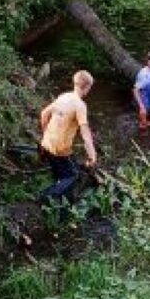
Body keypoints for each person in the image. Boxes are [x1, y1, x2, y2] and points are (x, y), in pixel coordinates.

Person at [39, 70, 97, 202]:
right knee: (73, 176)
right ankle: (45, 197)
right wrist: (92, 155)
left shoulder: (63, 96)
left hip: (46, 144)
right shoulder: (80, 105)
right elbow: (85, 134)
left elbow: (43, 114)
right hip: (59, 150)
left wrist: (45, 134)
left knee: (70, 165)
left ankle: (59, 180)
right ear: (87, 87)